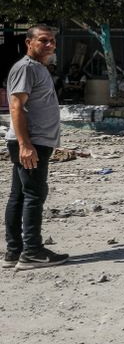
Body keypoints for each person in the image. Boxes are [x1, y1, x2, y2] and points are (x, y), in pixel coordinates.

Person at [4, 25, 69, 270]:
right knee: (34, 195)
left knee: (20, 195)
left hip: (35, 142)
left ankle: (14, 251)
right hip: (32, 143)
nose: (50, 45)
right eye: (43, 40)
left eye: (52, 40)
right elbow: (16, 106)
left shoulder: (38, 68)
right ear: (29, 42)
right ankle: (32, 251)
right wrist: (25, 144)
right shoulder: (26, 67)